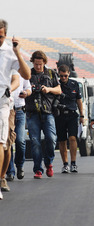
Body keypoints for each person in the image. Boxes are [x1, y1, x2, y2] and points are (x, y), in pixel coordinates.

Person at [0, 19, 31, 200]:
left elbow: (25, 75)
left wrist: (17, 51)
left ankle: (2, 177)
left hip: (4, 103)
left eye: (1, 36)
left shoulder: (9, 53)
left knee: (4, 144)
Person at [25, 50, 61, 179]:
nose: (38, 67)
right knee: (35, 142)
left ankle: (49, 163)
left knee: (51, 139)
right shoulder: (27, 73)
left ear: (44, 62)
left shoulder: (51, 73)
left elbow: (59, 90)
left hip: (48, 112)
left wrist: (48, 89)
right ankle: (38, 169)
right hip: (31, 112)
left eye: (40, 64)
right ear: (33, 63)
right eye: (36, 64)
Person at [55, 64, 84, 173]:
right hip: (60, 115)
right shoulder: (56, 84)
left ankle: (73, 163)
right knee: (62, 140)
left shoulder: (74, 84)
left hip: (72, 114)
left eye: (65, 76)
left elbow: (79, 101)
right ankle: (65, 164)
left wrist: (82, 115)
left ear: (69, 74)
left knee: (73, 138)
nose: (63, 78)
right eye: (61, 76)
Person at [6, 75, 31, 181]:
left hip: (20, 110)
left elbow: (28, 88)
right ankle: (10, 171)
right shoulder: (4, 70)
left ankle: (20, 165)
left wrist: (26, 93)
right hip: (6, 109)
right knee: (8, 141)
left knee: (20, 140)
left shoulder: (21, 71)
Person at [0, 70, 20, 192]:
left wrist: (9, 89)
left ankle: (2, 177)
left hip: (7, 108)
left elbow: (16, 80)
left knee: (6, 144)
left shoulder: (8, 59)